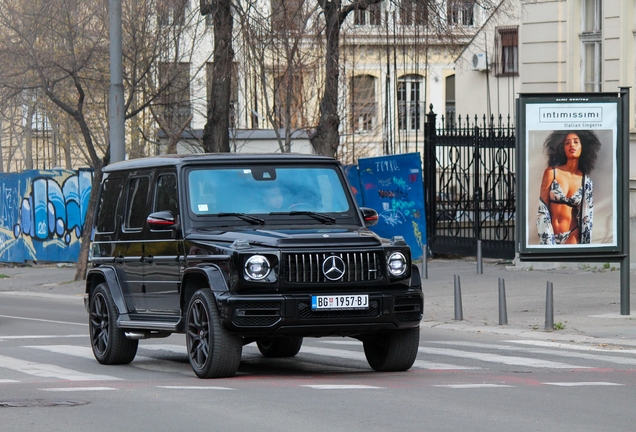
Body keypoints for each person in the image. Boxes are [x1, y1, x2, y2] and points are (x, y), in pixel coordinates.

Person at [537, 130, 601, 245]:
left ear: (583, 147)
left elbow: (587, 216)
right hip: (550, 233)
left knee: (572, 263)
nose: (571, 145)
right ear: (562, 148)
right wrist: (547, 236)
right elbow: (542, 207)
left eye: (576, 142)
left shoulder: (585, 181)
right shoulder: (552, 172)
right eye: (567, 143)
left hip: (573, 234)